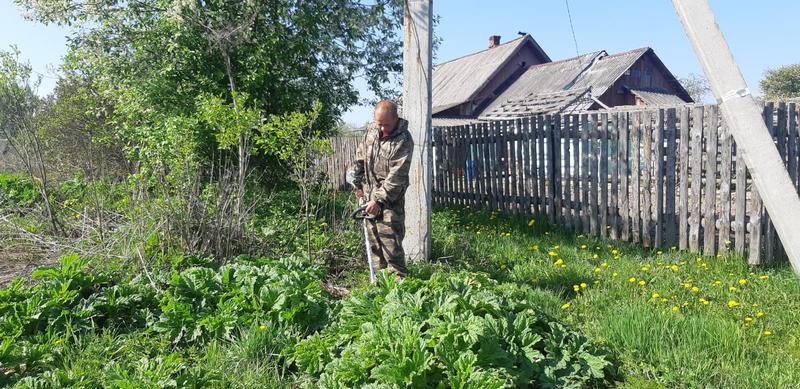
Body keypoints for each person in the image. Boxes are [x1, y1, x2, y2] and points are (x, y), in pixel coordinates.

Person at [350, 100, 414, 277]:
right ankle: (380, 285)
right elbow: (359, 159)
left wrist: (378, 200)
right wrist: (357, 185)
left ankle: (400, 289)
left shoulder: (404, 140)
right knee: (375, 246)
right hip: (368, 198)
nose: (383, 129)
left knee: (391, 247)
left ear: (396, 118)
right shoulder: (371, 134)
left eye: (386, 124)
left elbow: (397, 176)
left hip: (390, 200)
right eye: (379, 124)